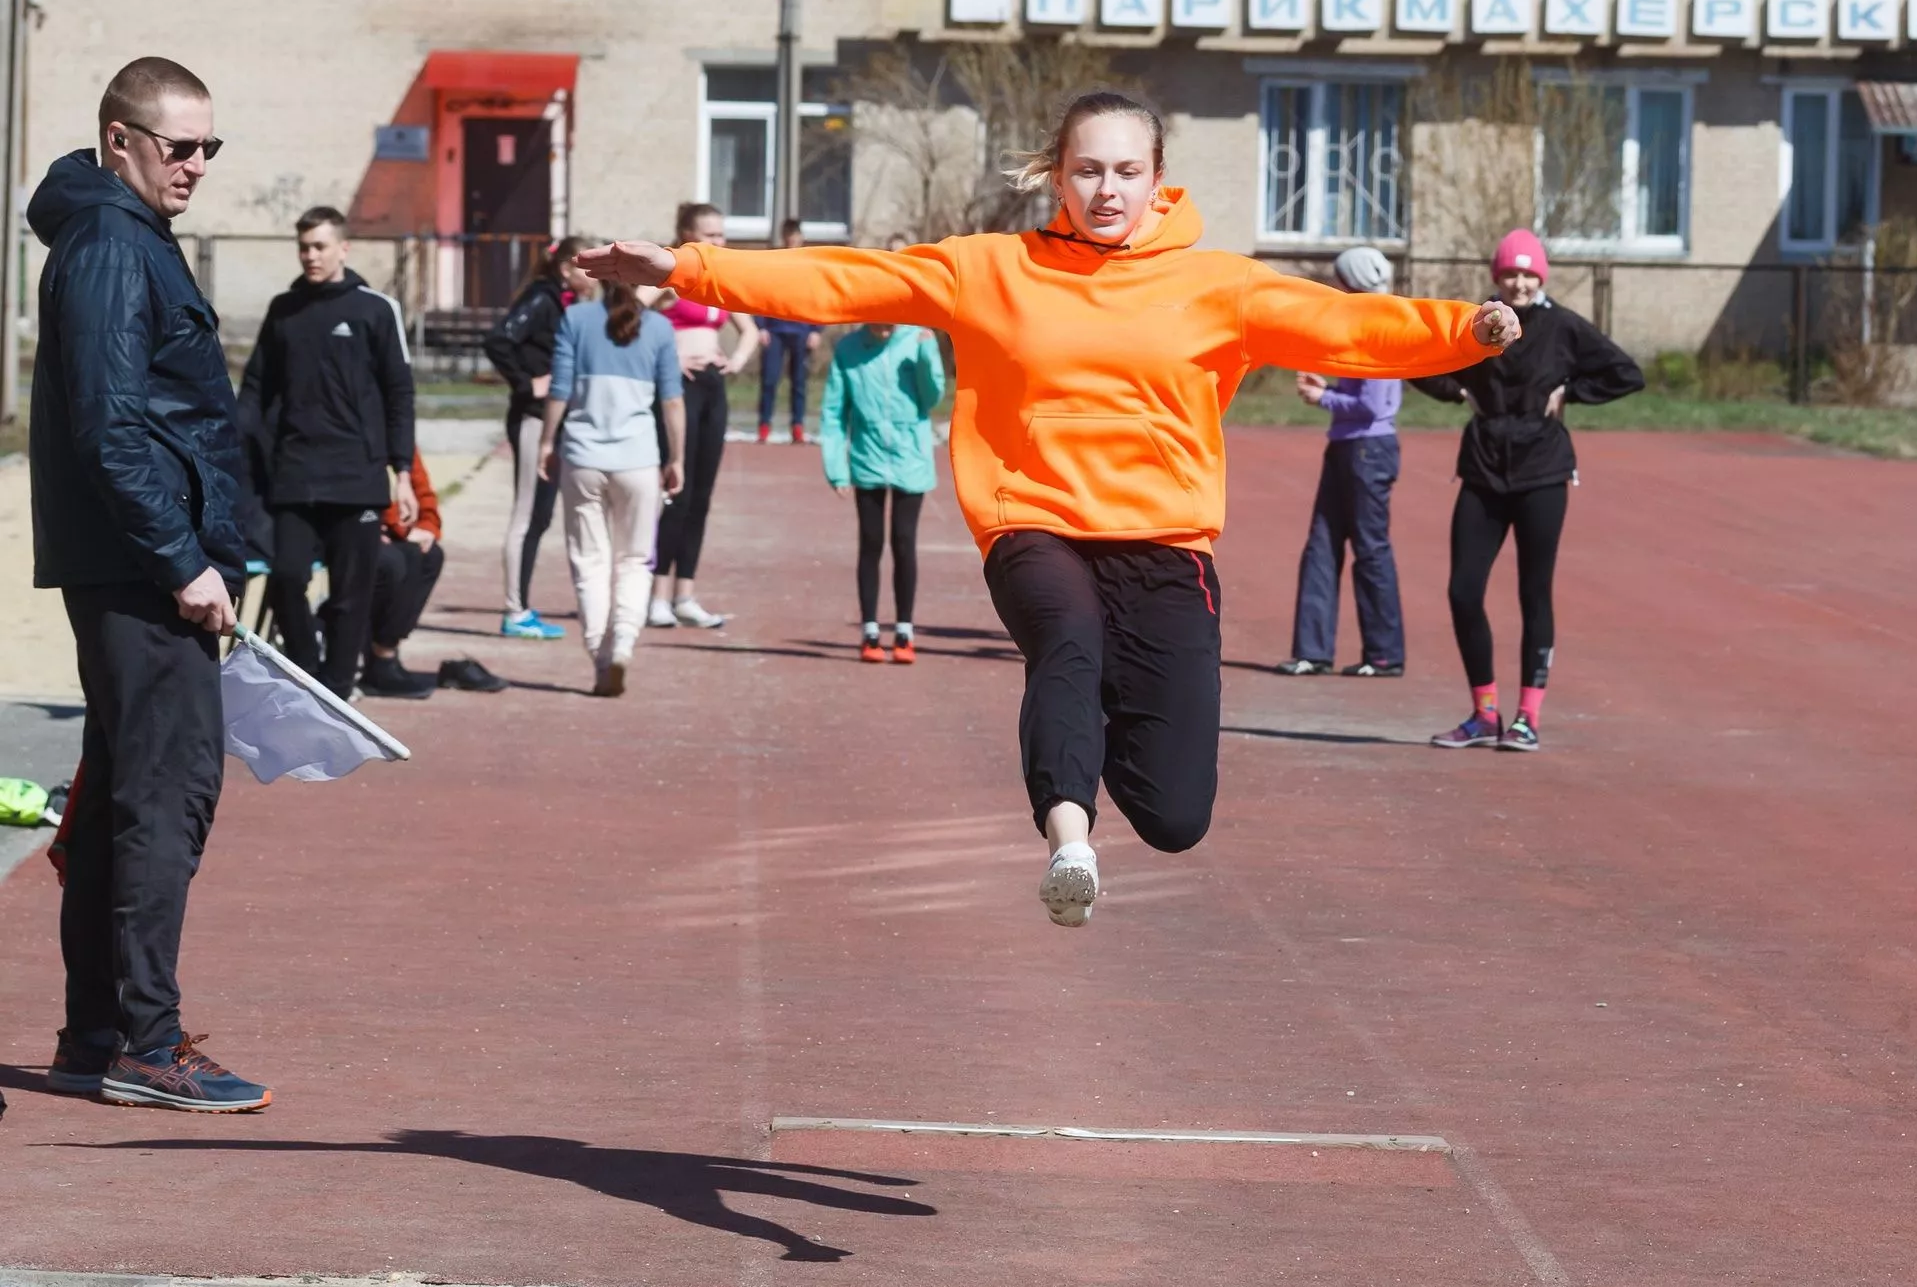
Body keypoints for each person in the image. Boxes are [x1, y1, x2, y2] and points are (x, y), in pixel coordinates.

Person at [579, 91, 1519, 926]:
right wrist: (687, 269)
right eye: (1086, 171)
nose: (1106, 191)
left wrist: (1461, 331)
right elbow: (845, 279)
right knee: (1065, 638)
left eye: (1125, 172)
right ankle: (1070, 839)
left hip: (1163, 538)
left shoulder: (1218, 286)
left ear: (1160, 181)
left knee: (1176, 815)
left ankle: (1099, 737)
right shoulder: (991, 269)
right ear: (1056, 176)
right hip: (1031, 519)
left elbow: (1345, 326)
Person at [26, 56, 269, 1110]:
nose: (197, 165)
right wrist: (183, 562)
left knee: (129, 793)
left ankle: (97, 1034)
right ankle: (144, 1041)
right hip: (141, 568)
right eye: (179, 145)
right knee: (164, 798)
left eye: (210, 145)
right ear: (119, 139)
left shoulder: (123, 237)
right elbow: (112, 427)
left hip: (139, 562)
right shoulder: (113, 249)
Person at [1413, 229, 1644, 753]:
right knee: (1463, 590)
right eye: (1509, 274)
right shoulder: (1481, 323)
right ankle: (1483, 713)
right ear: (1497, 278)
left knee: (1532, 592)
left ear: (1540, 277)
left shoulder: (1562, 326)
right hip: (1483, 467)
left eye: (1527, 274)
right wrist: (1459, 389)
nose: (1518, 282)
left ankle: (1527, 718)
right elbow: (1422, 360)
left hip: (1543, 471)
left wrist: (1571, 391)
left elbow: (1627, 373)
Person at [239, 205, 418, 703]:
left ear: (344, 248)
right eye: (304, 247)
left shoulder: (374, 310)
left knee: (350, 593)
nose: (310, 256)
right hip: (296, 471)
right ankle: (306, 672)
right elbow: (256, 386)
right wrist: (233, 442)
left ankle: (338, 689)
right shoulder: (284, 310)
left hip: (356, 476)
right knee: (287, 574)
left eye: (319, 246)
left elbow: (400, 394)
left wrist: (401, 472)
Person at [539, 278, 686, 697]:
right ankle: (622, 642)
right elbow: (672, 401)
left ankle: (599, 657)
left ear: (603, 281)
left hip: (583, 458)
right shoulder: (659, 328)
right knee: (635, 560)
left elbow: (560, 389)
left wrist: (548, 442)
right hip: (638, 460)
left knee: (589, 560)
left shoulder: (575, 318)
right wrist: (677, 458)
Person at [1278, 245, 1408, 680]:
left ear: (1350, 283)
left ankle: (1385, 653)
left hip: (1368, 450)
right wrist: (1330, 387)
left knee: (1370, 548)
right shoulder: (1364, 321)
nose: (1333, 286)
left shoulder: (1376, 325)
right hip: (1348, 446)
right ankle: (1312, 650)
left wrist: (1322, 397)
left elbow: (1371, 405)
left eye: (1339, 279)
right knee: (1321, 545)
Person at [648, 203, 757, 631]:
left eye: (721, 235)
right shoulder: (672, 275)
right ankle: (656, 595)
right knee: (677, 489)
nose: (718, 242)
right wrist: (670, 356)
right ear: (687, 236)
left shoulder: (721, 282)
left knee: (702, 497)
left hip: (713, 385)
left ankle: (685, 595)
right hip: (680, 386)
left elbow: (748, 329)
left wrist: (737, 360)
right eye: (708, 235)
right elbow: (633, 315)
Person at [483, 237, 596, 640]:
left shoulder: (569, 303)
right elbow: (498, 339)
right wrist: (526, 384)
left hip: (554, 421)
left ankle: (523, 607)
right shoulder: (542, 298)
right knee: (527, 513)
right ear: (566, 268)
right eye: (588, 264)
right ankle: (514, 611)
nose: (595, 273)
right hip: (531, 419)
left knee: (542, 515)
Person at [819, 322, 945, 663]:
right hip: (867, 456)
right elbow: (834, 412)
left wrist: (926, 355)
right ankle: (870, 631)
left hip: (910, 457)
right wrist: (835, 466)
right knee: (870, 542)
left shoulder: (917, 339)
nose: (884, 323)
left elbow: (931, 397)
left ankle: (904, 629)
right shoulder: (848, 349)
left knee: (904, 542)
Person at [359, 447, 445, 699]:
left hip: (384, 526)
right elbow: (361, 492)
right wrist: (399, 527)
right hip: (352, 523)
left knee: (430, 555)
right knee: (395, 561)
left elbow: (423, 492)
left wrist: (427, 526)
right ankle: (376, 656)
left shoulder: (399, 436)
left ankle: (383, 655)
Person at [756, 218, 821, 445]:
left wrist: (816, 330)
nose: (792, 239)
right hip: (775, 330)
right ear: (783, 238)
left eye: (796, 235)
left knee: (799, 382)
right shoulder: (774, 262)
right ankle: (764, 425)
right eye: (788, 235)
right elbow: (760, 295)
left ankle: (798, 427)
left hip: (801, 331)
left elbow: (817, 298)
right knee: (770, 380)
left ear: (801, 238)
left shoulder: (809, 265)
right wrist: (761, 327)